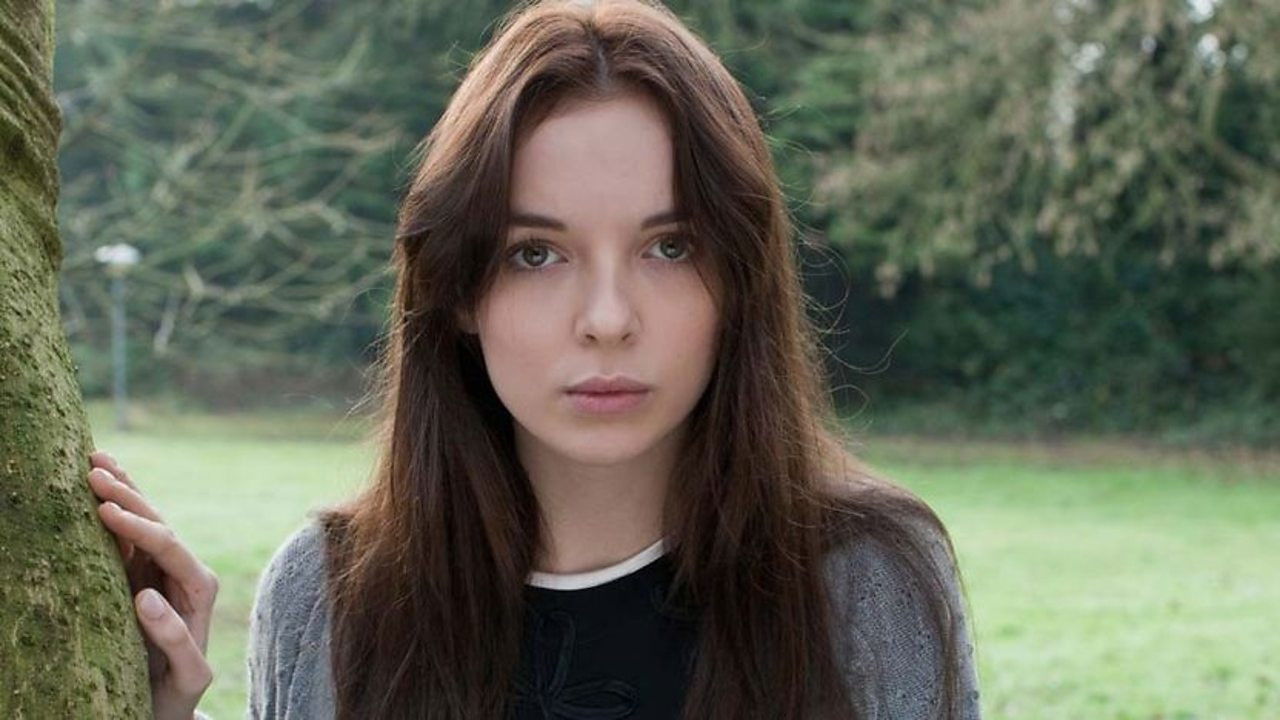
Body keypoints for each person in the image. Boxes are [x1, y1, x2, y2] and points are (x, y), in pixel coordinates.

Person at [88, 0, 982, 718]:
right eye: (536, 253)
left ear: (741, 280)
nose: (608, 319)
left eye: (669, 247)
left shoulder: (868, 583)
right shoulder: (326, 595)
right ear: (457, 289)